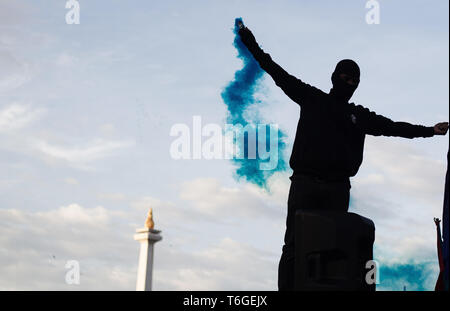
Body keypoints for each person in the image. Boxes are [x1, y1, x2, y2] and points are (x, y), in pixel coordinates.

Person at [237, 26, 449, 291]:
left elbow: (393, 127)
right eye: (345, 77)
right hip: (305, 184)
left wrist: (429, 130)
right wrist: (251, 43)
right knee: (294, 245)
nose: (349, 83)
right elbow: (276, 71)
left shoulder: (359, 116)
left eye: (354, 81)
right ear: (334, 76)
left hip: (337, 188)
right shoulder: (312, 98)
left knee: (335, 244)